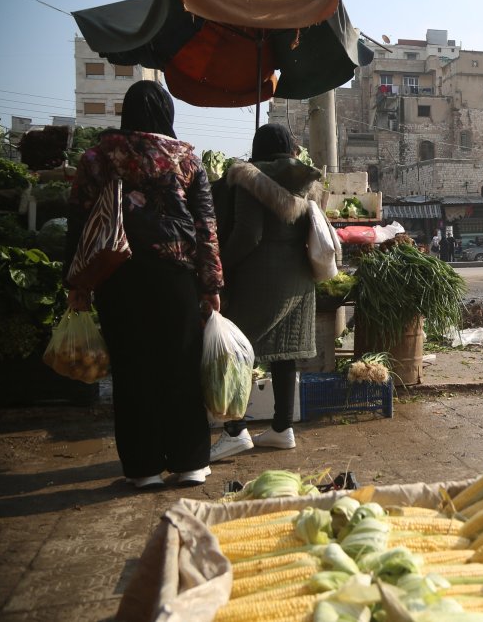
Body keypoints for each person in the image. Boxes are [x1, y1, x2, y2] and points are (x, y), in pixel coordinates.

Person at [64, 80, 223, 489]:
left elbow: (79, 223)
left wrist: (76, 283)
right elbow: (205, 226)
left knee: (132, 371)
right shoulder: (185, 157)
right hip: (175, 276)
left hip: (115, 275)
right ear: (167, 114)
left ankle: (143, 468)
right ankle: (189, 463)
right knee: (181, 367)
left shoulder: (97, 158)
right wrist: (211, 284)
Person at [208, 124, 320, 461]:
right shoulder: (306, 180)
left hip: (260, 276)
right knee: (285, 353)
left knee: (237, 351)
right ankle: (283, 428)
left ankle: (235, 431)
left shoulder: (249, 177)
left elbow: (248, 234)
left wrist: (221, 267)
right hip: (300, 277)